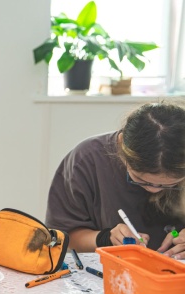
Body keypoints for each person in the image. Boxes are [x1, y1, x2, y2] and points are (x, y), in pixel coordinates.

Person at [46, 101, 185, 257]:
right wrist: (105, 238)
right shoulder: (88, 159)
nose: (154, 189)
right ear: (120, 147)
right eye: (140, 180)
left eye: (171, 184)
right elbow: (62, 236)